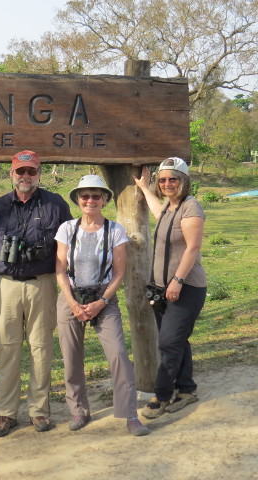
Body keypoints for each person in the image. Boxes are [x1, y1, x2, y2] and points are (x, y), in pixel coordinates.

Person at [0, 150, 72, 437]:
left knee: (41, 348)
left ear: (39, 174)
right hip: (6, 285)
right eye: (20, 171)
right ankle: (5, 413)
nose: (25, 177)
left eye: (31, 172)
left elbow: (68, 246)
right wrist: (0, 271)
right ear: (12, 174)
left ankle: (39, 410)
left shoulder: (55, 204)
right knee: (7, 348)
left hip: (42, 283)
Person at [55, 175, 150, 436]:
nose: (90, 200)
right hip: (71, 297)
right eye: (85, 195)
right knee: (71, 358)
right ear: (77, 199)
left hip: (104, 297)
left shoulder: (115, 230)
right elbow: (60, 270)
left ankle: (130, 414)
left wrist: (103, 301)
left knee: (118, 353)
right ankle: (78, 411)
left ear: (105, 200)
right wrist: (73, 303)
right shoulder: (66, 229)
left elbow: (119, 272)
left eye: (96, 195)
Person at [133, 157, 207, 418]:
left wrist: (177, 281)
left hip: (186, 288)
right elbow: (157, 211)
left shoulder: (191, 207)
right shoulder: (168, 208)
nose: (166, 184)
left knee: (168, 342)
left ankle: (161, 396)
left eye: (172, 179)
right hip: (162, 289)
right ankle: (186, 389)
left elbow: (192, 248)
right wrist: (143, 188)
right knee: (177, 341)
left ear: (183, 181)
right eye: (162, 179)